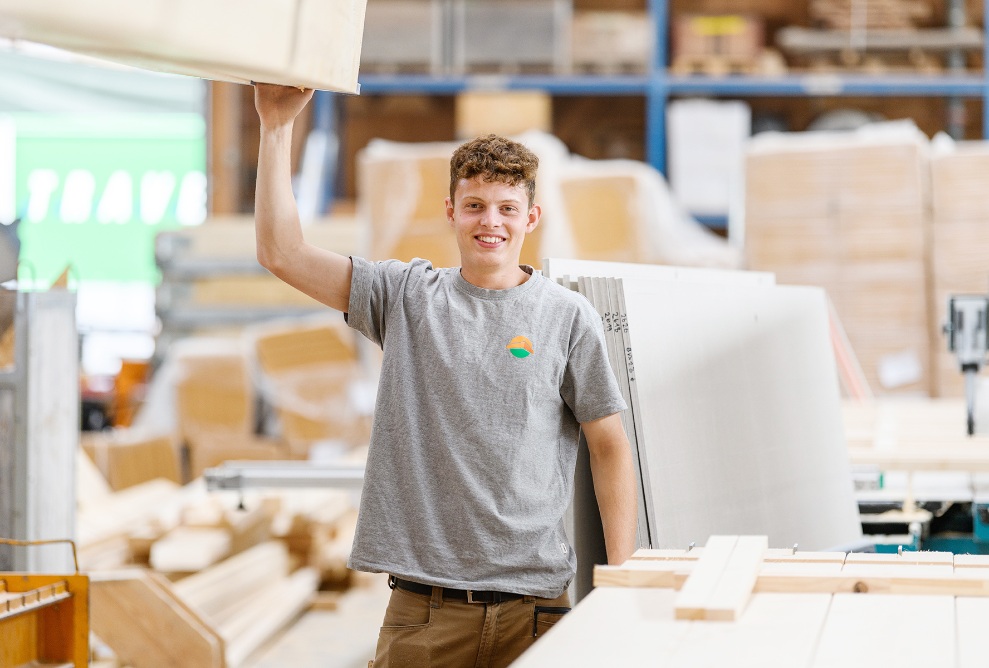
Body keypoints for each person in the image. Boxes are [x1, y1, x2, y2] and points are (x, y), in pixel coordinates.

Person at [253, 83, 638, 668]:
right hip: (424, 616)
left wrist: (621, 579)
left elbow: (609, 445)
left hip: (537, 612)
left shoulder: (567, 317)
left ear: (531, 217)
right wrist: (276, 127)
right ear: (452, 211)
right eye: (477, 204)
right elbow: (282, 252)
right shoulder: (405, 297)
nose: (492, 222)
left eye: (508, 208)